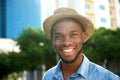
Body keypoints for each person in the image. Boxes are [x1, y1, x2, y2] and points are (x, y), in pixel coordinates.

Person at [42, 7, 120, 80]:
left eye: (73, 35)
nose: (66, 43)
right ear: (52, 39)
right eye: (59, 36)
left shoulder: (107, 78)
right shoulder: (48, 76)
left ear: (83, 37)